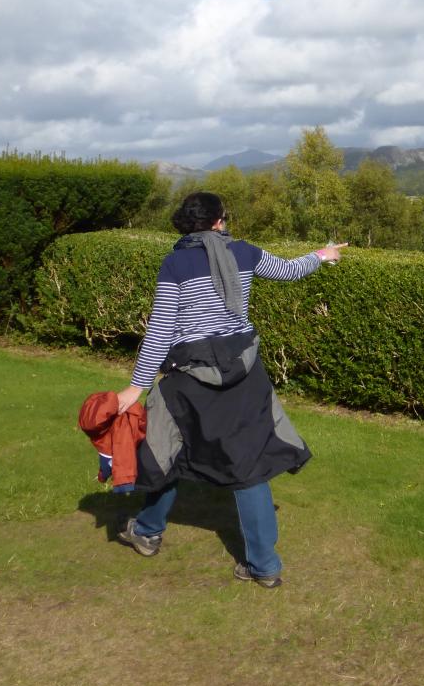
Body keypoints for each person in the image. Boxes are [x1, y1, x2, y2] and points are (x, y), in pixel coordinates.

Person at [114, 191, 345, 589]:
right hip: (244, 370)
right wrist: (322, 255)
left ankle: (148, 532)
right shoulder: (244, 253)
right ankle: (264, 566)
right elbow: (289, 270)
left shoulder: (175, 263)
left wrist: (137, 386)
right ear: (219, 221)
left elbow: (161, 329)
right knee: (249, 466)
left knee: (170, 450)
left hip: (189, 377)